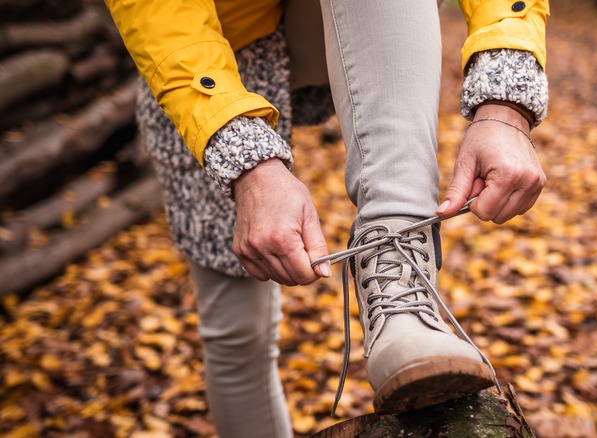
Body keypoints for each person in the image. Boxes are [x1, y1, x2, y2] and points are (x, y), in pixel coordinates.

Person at [105, 0, 549, 436]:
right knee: (236, 332)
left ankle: (399, 285)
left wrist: (505, 104)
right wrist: (243, 163)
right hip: (198, 50)